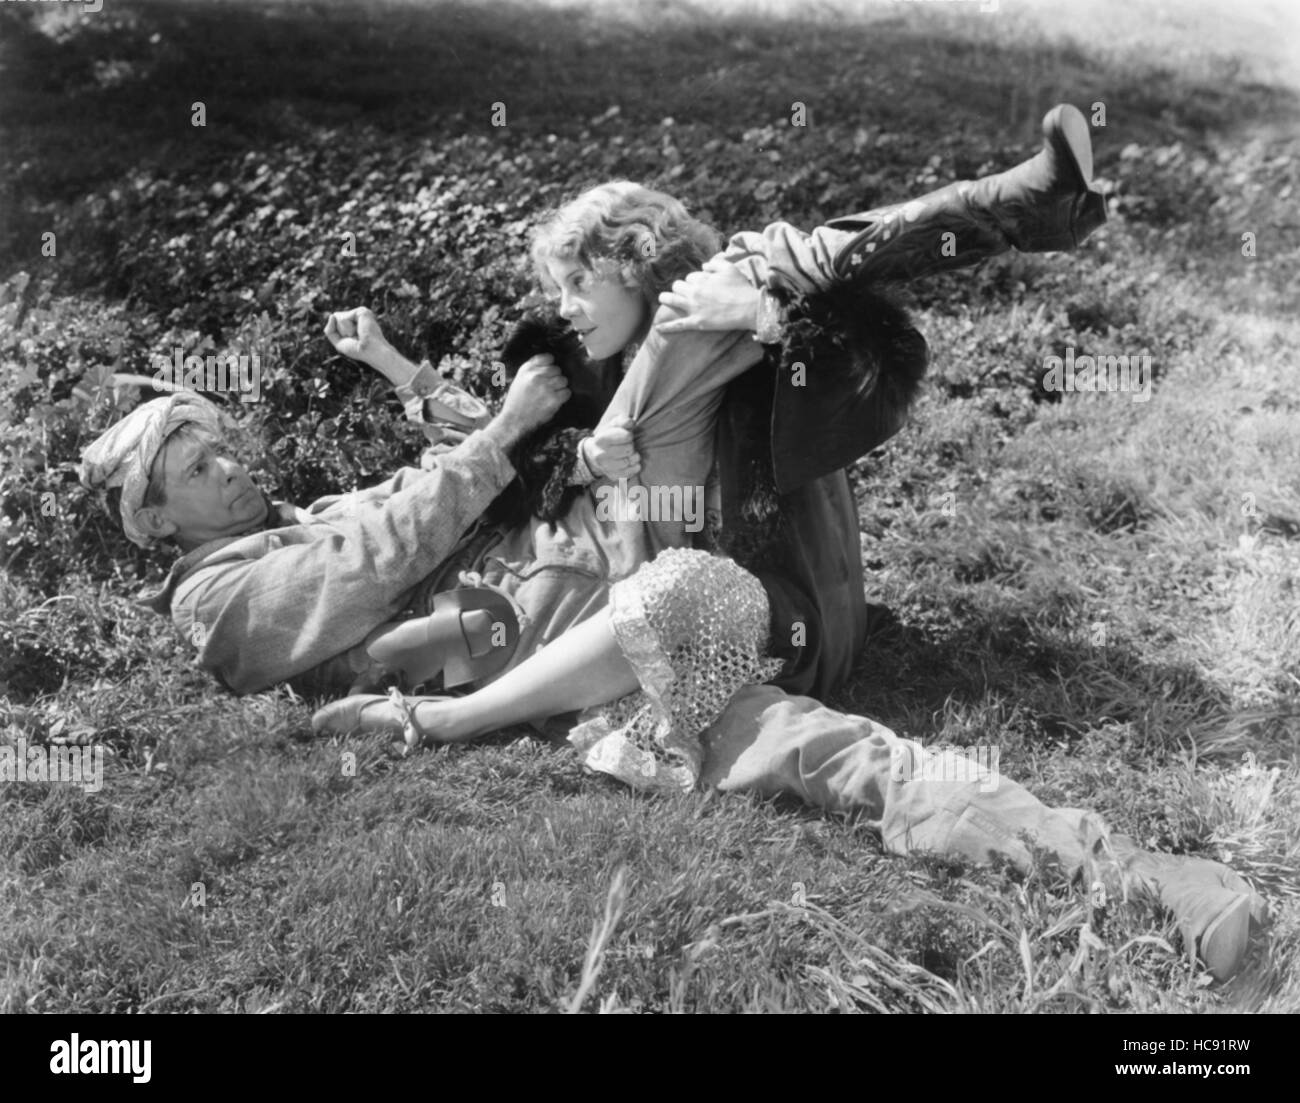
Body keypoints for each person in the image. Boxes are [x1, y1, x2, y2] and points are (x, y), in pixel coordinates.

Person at [80, 106, 1264, 980]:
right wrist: (519, 444)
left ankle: (999, 212)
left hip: (640, 600)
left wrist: (427, 389)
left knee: (717, 321)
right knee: (855, 759)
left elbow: (436, 491)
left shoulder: (303, 522)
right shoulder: (220, 600)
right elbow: (397, 537)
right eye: (197, 466)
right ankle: (1164, 885)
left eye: (222, 443)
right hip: (636, 632)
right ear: (150, 519)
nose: (232, 464)